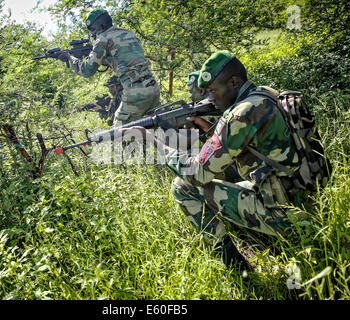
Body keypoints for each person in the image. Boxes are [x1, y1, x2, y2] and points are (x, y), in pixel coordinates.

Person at [119, 50, 308, 270]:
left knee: (182, 187)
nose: (209, 98)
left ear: (234, 82)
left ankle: (235, 267)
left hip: (286, 212)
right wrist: (209, 128)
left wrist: (152, 139)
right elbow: (248, 145)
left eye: (212, 91)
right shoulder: (264, 95)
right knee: (220, 173)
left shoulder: (238, 115)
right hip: (304, 191)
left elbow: (197, 173)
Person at [59, 9, 160, 126]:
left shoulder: (103, 39)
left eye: (93, 29)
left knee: (119, 134)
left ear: (102, 26)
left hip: (136, 92)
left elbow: (86, 71)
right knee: (155, 128)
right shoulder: (129, 33)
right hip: (153, 88)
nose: (92, 34)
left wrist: (69, 58)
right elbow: (122, 60)